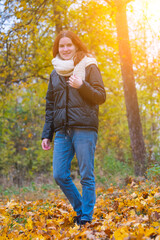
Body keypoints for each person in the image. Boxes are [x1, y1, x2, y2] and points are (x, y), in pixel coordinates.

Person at [41, 30, 106, 226]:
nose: (66, 49)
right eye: (62, 46)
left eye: (69, 45)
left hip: (84, 128)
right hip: (62, 131)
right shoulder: (54, 73)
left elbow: (101, 96)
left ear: (76, 45)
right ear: (57, 49)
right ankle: (81, 209)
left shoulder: (88, 65)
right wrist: (47, 134)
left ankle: (86, 218)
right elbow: (50, 106)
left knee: (86, 175)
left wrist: (82, 85)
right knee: (59, 174)